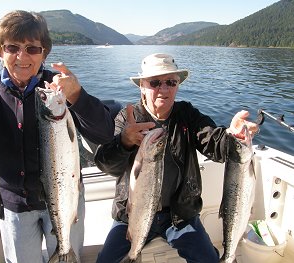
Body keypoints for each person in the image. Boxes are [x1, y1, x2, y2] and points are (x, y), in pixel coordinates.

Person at [0, 10, 114, 263]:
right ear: (0, 51)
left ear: (44, 52)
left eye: (32, 49)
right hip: (13, 207)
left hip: (64, 197)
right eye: (12, 47)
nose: (22, 56)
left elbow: (103, 132)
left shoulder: (58, 88)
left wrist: (77, 96)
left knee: (68, 254)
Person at [94, 53, 259, 263]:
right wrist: (124, 141)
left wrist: (233, 136)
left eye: (171, 82)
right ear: (142, 86)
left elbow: (215, 144)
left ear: (177, 86)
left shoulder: (187, 115)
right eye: (155, 83)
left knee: (209, 259)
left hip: (180, 215)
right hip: (132, 213)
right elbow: (105, 163)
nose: (164, 89)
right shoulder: (128, 119)